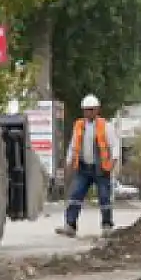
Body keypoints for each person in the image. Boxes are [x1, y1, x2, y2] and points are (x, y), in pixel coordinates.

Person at [56, 94, 115, 237]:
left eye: (91, 109)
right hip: (83, 168)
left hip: (101, 169)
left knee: (104, 197)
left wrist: (113, 163)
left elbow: (114, 146)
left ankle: (107, 226)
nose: (88, 112)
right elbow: (73, 145)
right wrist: (68, 162)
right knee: (75, 195)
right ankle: (70, 225)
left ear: (97, 110)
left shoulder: (105, 126)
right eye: (86, 110)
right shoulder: (79, 125)